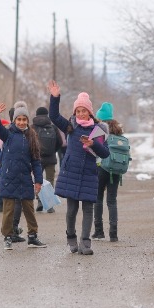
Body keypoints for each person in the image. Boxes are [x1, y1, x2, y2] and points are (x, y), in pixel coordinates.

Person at [47, 80, 109, 255]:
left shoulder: (98, 129)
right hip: (71, 173)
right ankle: (71, 237)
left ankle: (86, 242)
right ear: (75, 112)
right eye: (78, 111)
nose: (81, 114)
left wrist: (93, 144)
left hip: (89, 174)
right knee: (72, 210)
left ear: (89, 112)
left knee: (88, 209)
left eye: (84, 111)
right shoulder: (70, 126)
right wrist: (55, 96)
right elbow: (53, 115)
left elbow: (105, 154)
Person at [0, 100, 46, 250]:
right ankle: (8, 236)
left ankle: (33, 236)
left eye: (24, 119)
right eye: (19, 119)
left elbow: (36, 161)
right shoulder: (7, 134)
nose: (21, 122)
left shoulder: (32, 137)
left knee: (29, 209)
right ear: (14, 120)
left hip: (25, 179)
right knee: (8, 211)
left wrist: (38, 180)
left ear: (28, 121)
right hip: (9, 178)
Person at [92, 102, 125, 242]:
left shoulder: (99, 129)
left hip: (101, 167)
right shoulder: (118, 130)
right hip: (116, 169)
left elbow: (91, 147)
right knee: (112, 200)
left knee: (98, 198)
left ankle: (99, 231)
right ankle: (114, 233)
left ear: (101, 118)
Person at [32, 106, 63, 213]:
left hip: (37, 159)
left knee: (38, 180)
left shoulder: (33, 127)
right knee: (50, 181)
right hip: (51, 158)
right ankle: (50, 205)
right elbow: (60, 142)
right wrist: (53, 151)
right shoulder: (53, 127)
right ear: (47, 115)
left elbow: (29, 142)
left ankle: (40, 201)